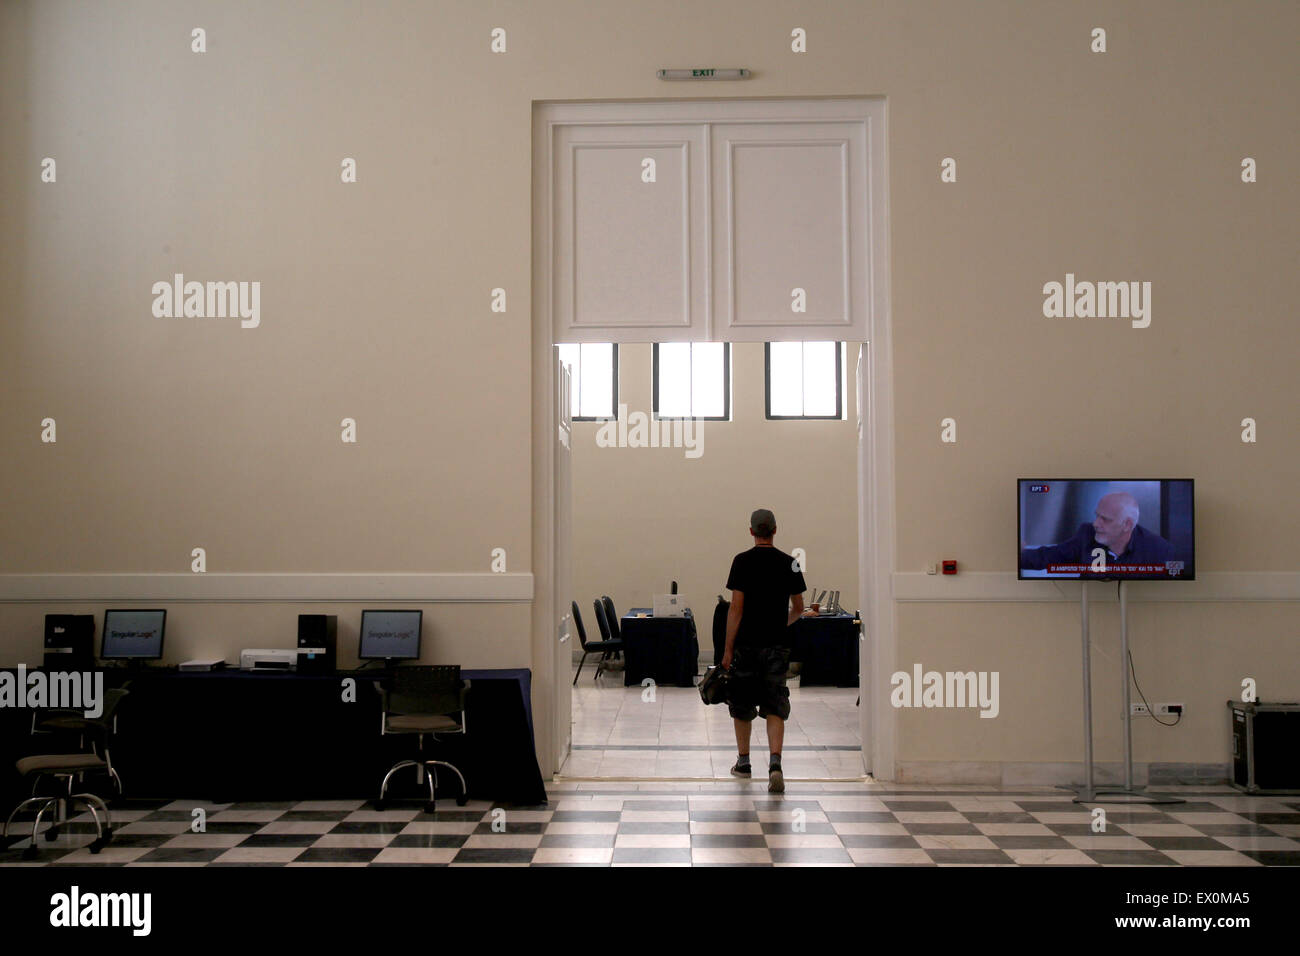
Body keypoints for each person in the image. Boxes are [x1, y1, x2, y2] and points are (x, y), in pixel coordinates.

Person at [721, 508, 807, 793]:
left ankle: (744, 763)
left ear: (751, 531)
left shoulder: (742, 562)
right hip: (777, 645)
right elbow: (798, 608)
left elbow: (736, 609)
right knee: (775, 704)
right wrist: (781, 623)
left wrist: (727, 649)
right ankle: (775, 764)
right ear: (775, 530)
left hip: (746, 644)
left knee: (742, 702)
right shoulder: (790, 563)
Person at [1021, 491, 1175, 573]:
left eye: (1105, 519)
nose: (1095, 524)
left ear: (1127, 525)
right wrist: (1017, 554)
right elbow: (1048, 557)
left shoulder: (1159, 550)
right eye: (1097, 516)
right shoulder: (1086, 534)